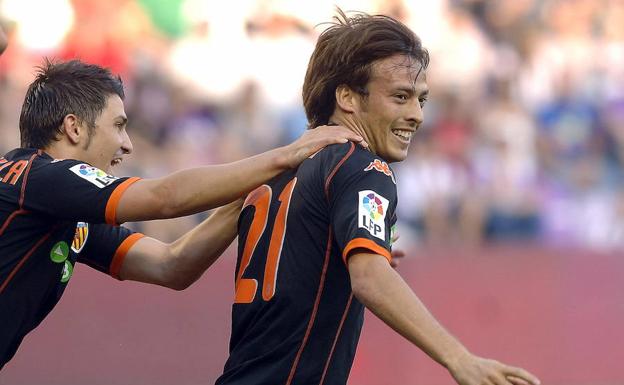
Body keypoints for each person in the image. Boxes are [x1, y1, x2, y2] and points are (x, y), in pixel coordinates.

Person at [216, 11, 540, 385]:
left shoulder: (272, 173)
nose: (417, 115)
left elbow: (176, 267)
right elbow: (369, 279)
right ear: (348, 97)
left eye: (421, 99)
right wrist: (459, 359)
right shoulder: (363, 167)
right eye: (400, 97)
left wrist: (355, 246)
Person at [0, 59, 365, 369]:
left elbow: (172, 265)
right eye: (118, 125)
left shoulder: (59, 208)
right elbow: (165, 197)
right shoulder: (40, 177)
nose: (127, 144)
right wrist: (284, 155)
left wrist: (254, 187)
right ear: (74, 127)